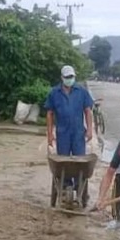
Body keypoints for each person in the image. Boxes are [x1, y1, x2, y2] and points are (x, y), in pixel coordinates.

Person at [45, 65, 94, 198]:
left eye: (71, 77)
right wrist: (50, 134)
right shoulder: (54, 93)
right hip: (62, 133)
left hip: (78, 133)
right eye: (67, 77)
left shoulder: (81, 91)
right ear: (62, 78)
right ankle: (65, 185)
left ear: (74, 77)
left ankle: (80, 187)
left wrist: (90, 130)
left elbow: (88, 111)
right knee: (63, 161)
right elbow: (49, 113)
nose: (69, 79)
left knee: (79, 160)